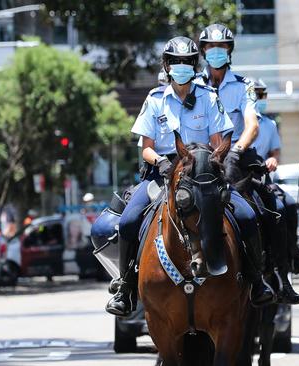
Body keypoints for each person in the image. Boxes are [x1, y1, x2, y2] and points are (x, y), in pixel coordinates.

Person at [105, 36, 274, 316]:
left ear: (194, 65)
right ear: (167, 66)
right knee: (129, 220)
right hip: (162, 173)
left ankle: (257, 281)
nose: (181, 67)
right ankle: (125, 287)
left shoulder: (209, 97)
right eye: (176, 62)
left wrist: (213, 161)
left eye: (186, 62)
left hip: (203, 172)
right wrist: (160, 161)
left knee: (246, 215)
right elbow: (146, 148)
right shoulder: (155, 99)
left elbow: (219, 140)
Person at [196, 23, 299, 304]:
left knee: (273, 209)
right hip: (201, 162)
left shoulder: (243, 86)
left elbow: (252, 125)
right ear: (203, 51)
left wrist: (236, 149)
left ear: (229, 51)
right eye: (211, 48)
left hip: (237, 158)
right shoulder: (194, 86)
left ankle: (278, 279)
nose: (216, 53)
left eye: (222, 48)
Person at [248, 77, 299, 274]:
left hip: (263, 180)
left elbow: (275, 152)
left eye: (263, 94)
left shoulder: (269, 124)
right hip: (239, 179)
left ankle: (292, 256)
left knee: (288, 204)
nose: (260, 98)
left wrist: (273, 160)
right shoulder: (235, 120)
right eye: (256, 94)